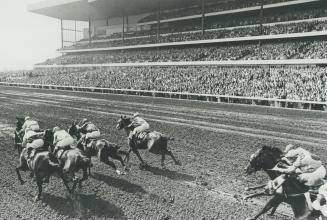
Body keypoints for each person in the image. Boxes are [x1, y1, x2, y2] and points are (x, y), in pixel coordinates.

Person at [273, 144, 326, 210]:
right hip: (320, 168)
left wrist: (278, 169)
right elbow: (317, 157)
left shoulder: (297, 159)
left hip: (317, 173)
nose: (290, 158)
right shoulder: (302, 150)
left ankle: (310, 194)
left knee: (299, 178)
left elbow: (291, 169)